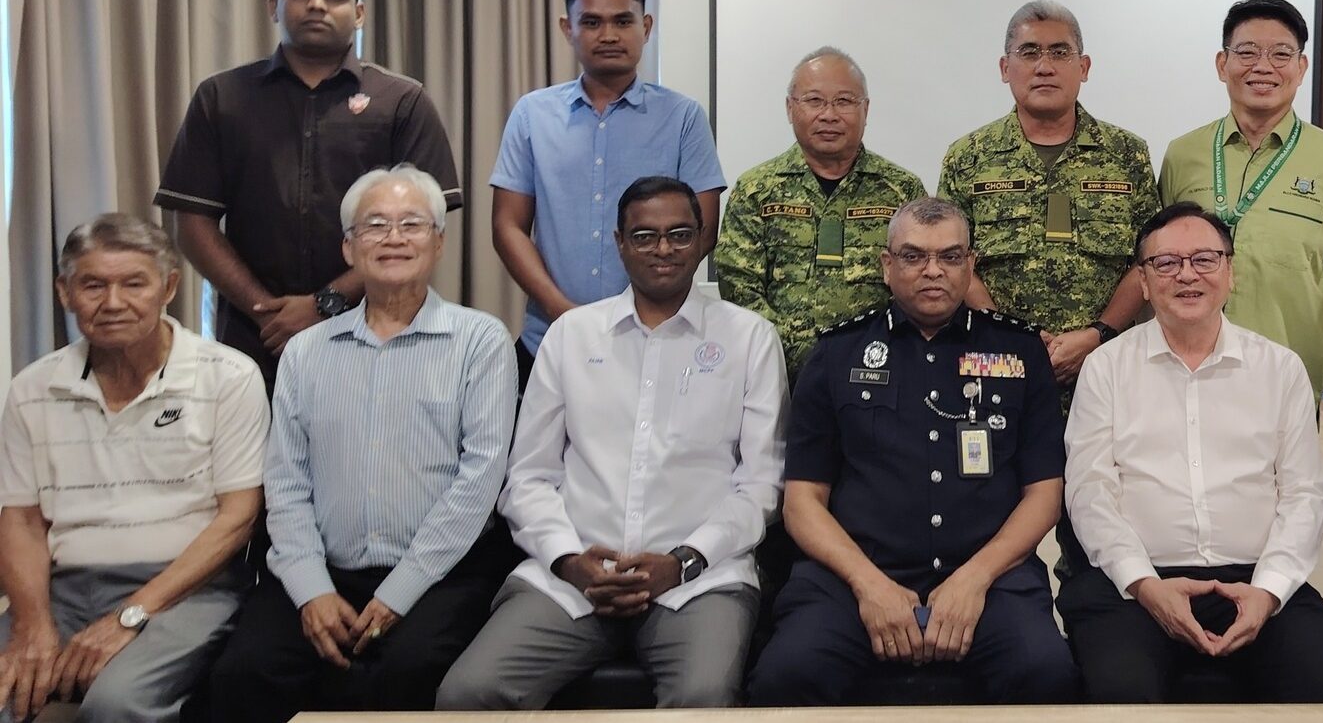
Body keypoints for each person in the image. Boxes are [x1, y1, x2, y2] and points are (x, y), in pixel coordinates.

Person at [438, 177, 785, 709]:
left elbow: (760, 484)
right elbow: (528, 477)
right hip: (572, 581)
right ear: (620, 243)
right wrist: (569, 561)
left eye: (679, 234)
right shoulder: (572, 335)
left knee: (704, 695)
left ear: (701, 240)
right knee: (468, 694)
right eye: (644, 236)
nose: (663, 249)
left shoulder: (749, 337)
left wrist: (684, 560)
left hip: (698, 582)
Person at [207, 166, 517, 721]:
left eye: (411, 224)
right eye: (374, 226)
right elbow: (286, 481)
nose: (393, 238)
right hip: (323, 569)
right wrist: (309, 590)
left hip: (438, 574)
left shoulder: (480, 341)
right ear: (349, 250)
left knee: (406, 672)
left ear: (439, 242)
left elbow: (481, 478)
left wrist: (400, 592)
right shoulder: (306, 352)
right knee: (243, 674)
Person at [748, 197, 1080, 705]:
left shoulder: (1018, 352)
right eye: (912, 256)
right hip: (850, 576)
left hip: (990, 577)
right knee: (786, 674)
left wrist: (974, 580)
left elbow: (1043, 495)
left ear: (971, 265)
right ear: (887, 266)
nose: (933, 271)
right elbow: (801, 502)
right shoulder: (837, 353)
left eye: (950, 257)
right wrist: (869, 586)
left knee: (1046, 671)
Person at [1060, 203, 1323, 703]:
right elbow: (1090, 492)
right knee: (1122, 696)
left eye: (1204, 260)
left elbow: (1306, 494)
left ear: (1230, 272)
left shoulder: (1278, 368)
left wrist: (1268, 591)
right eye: (1167, 263)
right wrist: (1144, 585)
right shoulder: (1106, 367)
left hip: (1255, 579)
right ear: (1144, 281)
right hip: (1135, 586)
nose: (1187, 275)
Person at [155, 0, 462, 383]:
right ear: (274, 6)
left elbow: (424, 224)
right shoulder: (221, 97)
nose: (316, 4)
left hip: (379, 326)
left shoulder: (402, 100)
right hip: (254, 336)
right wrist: (266, 312)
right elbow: (192, 222)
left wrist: (324, 304)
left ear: (358, 14)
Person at [0, 215, 267, 722]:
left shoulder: (227, 377)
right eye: (93, 285)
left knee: (116, 705)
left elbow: (239, 517)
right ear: (64, 292)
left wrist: (133, 613)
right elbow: (21, 519)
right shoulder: (33, 388)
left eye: (134, 283)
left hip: (186, 590)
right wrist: (31, 625)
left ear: (168, 286)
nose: (114, 302)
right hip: (64, 588)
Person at [491, 0, 727, 356]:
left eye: (622, 21)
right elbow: (507, 227)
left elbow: (702, 230)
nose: (608, 35)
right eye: (592, 22)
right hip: (550, 339)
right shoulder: (532, 114)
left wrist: (637, 312)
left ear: (646, 27)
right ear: (568, 29)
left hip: (656, 340)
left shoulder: (683, 117)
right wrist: (563, 312)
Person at [1158, 0, 1323, 415]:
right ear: (1222, 65)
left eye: (1281, 54)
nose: (1263, 66)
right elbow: (1157, 264)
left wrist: (1303, 338)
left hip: (1287, 382)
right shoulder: (1182, 154)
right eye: (1246, 52)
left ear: (1302, 67)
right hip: (1184, 376)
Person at [938, 0, 1159, 386]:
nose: (1044, 66)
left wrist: (1098, 334)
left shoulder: (1127, 154)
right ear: (1005, 69)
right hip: (997, 366)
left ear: (1084, 67)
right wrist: (1009, 337)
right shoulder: (967, 157)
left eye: (1060, 52)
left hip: (1107, 365)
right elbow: (952, 259)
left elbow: (1149, 260)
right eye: (1029, 52)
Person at [717, 47, 925, 379]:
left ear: (866, 109)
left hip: (880, 371)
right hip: (775, 374)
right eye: (814, 101)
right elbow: (739, 288)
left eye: (844, 101)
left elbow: (918, 285)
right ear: (789, 108)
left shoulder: (901, 190)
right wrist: (808, 357)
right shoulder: (756, 190)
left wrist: (870, 354)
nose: (829, 115)